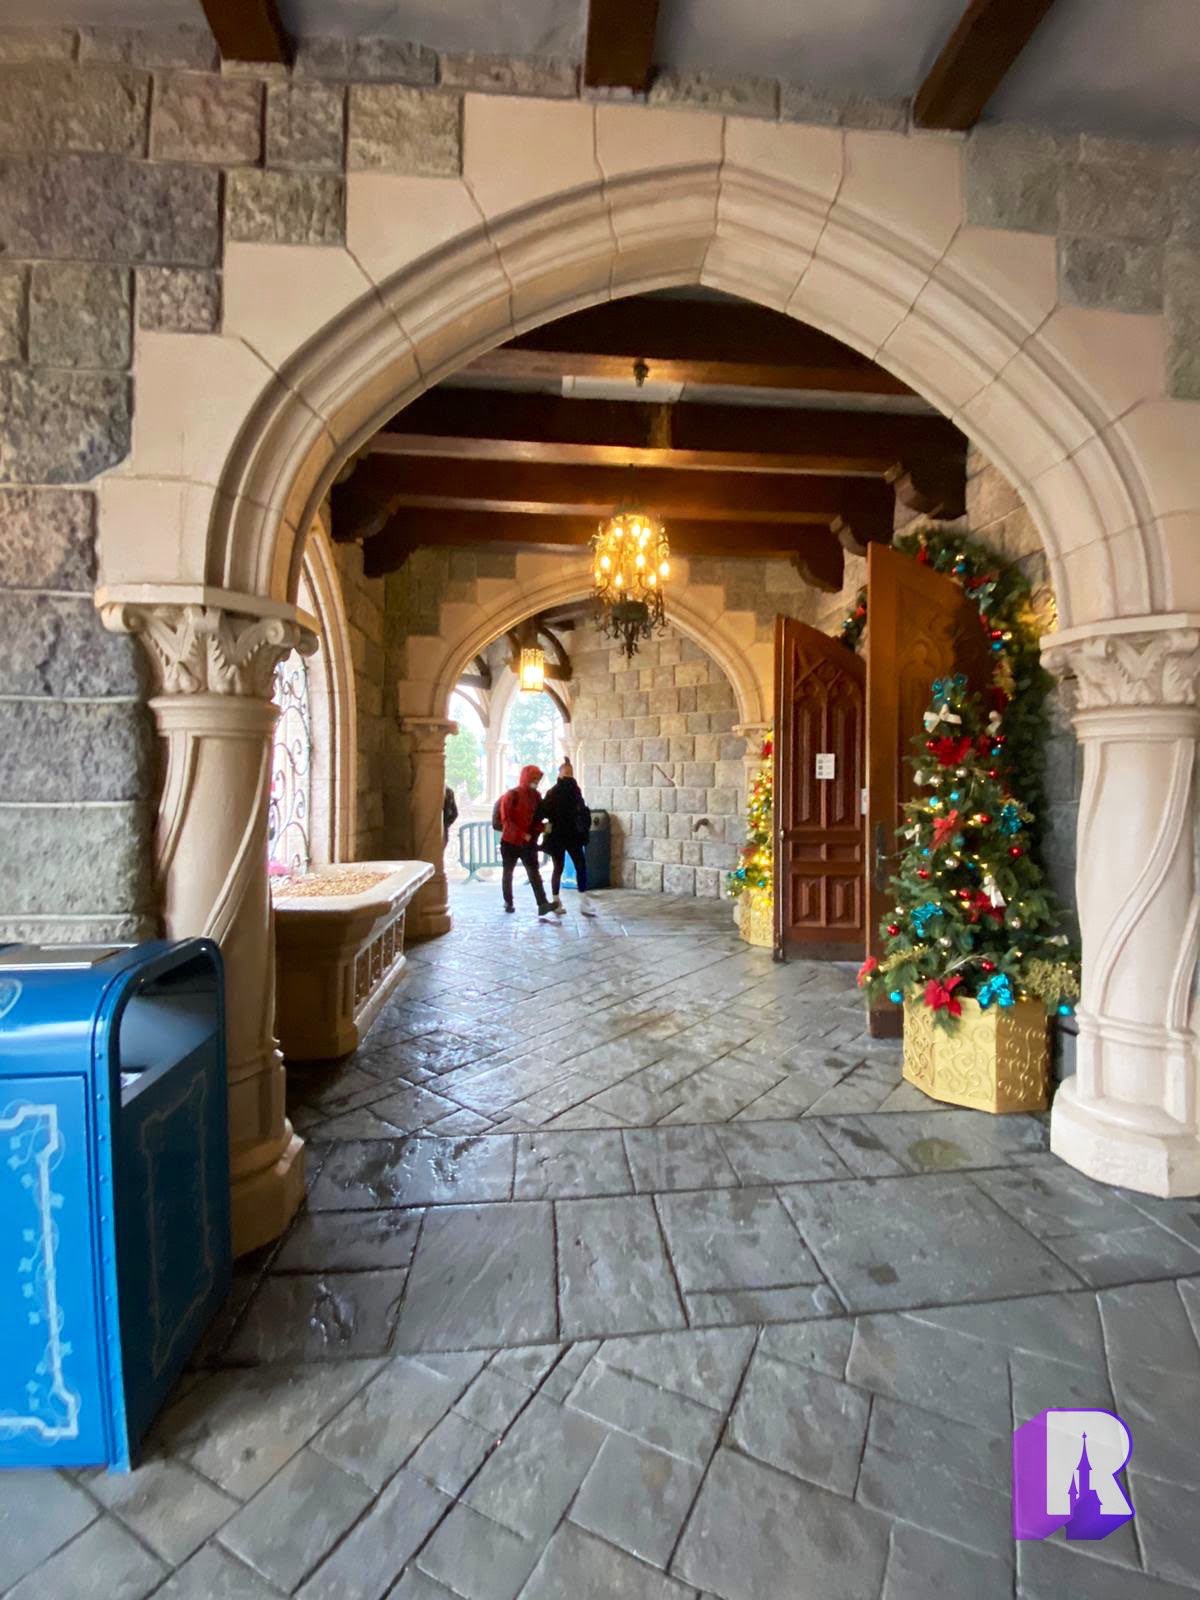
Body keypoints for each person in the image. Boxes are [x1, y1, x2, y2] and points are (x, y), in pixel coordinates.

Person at [497, 764, 561, 918]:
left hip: (527, 842)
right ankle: (508, 902)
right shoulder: (512, 795)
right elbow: (506, 821)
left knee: (534, 873)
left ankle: (542, 904)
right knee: (508, 872)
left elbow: (536, 819)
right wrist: (522, 834)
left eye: (538, 780)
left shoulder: (536, 796)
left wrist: (541, 828)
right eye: (533, 779)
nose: (536, 782)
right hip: (511, 841)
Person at [538, 759, 596, 916]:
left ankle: (558, 902)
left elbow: (543, 812)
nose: (569, 775)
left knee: (560, 868)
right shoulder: (575, 791)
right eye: (567, 772)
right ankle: (581, 903)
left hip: (558, 836)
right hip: (572, 836)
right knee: (578, 866)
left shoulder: (553, 792)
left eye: (570, 773)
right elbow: (581, 811)